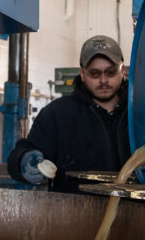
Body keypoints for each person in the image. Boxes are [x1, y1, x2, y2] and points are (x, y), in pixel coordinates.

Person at [7, 35, 131, 193]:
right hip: (74, 214)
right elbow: (20, 155)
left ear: (122, 71)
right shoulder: (57, 114)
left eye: (111, 72)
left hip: (136, 213)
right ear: (82, 73)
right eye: (94, 73)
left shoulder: (141, 113)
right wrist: (22, 161)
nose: (103, 80)